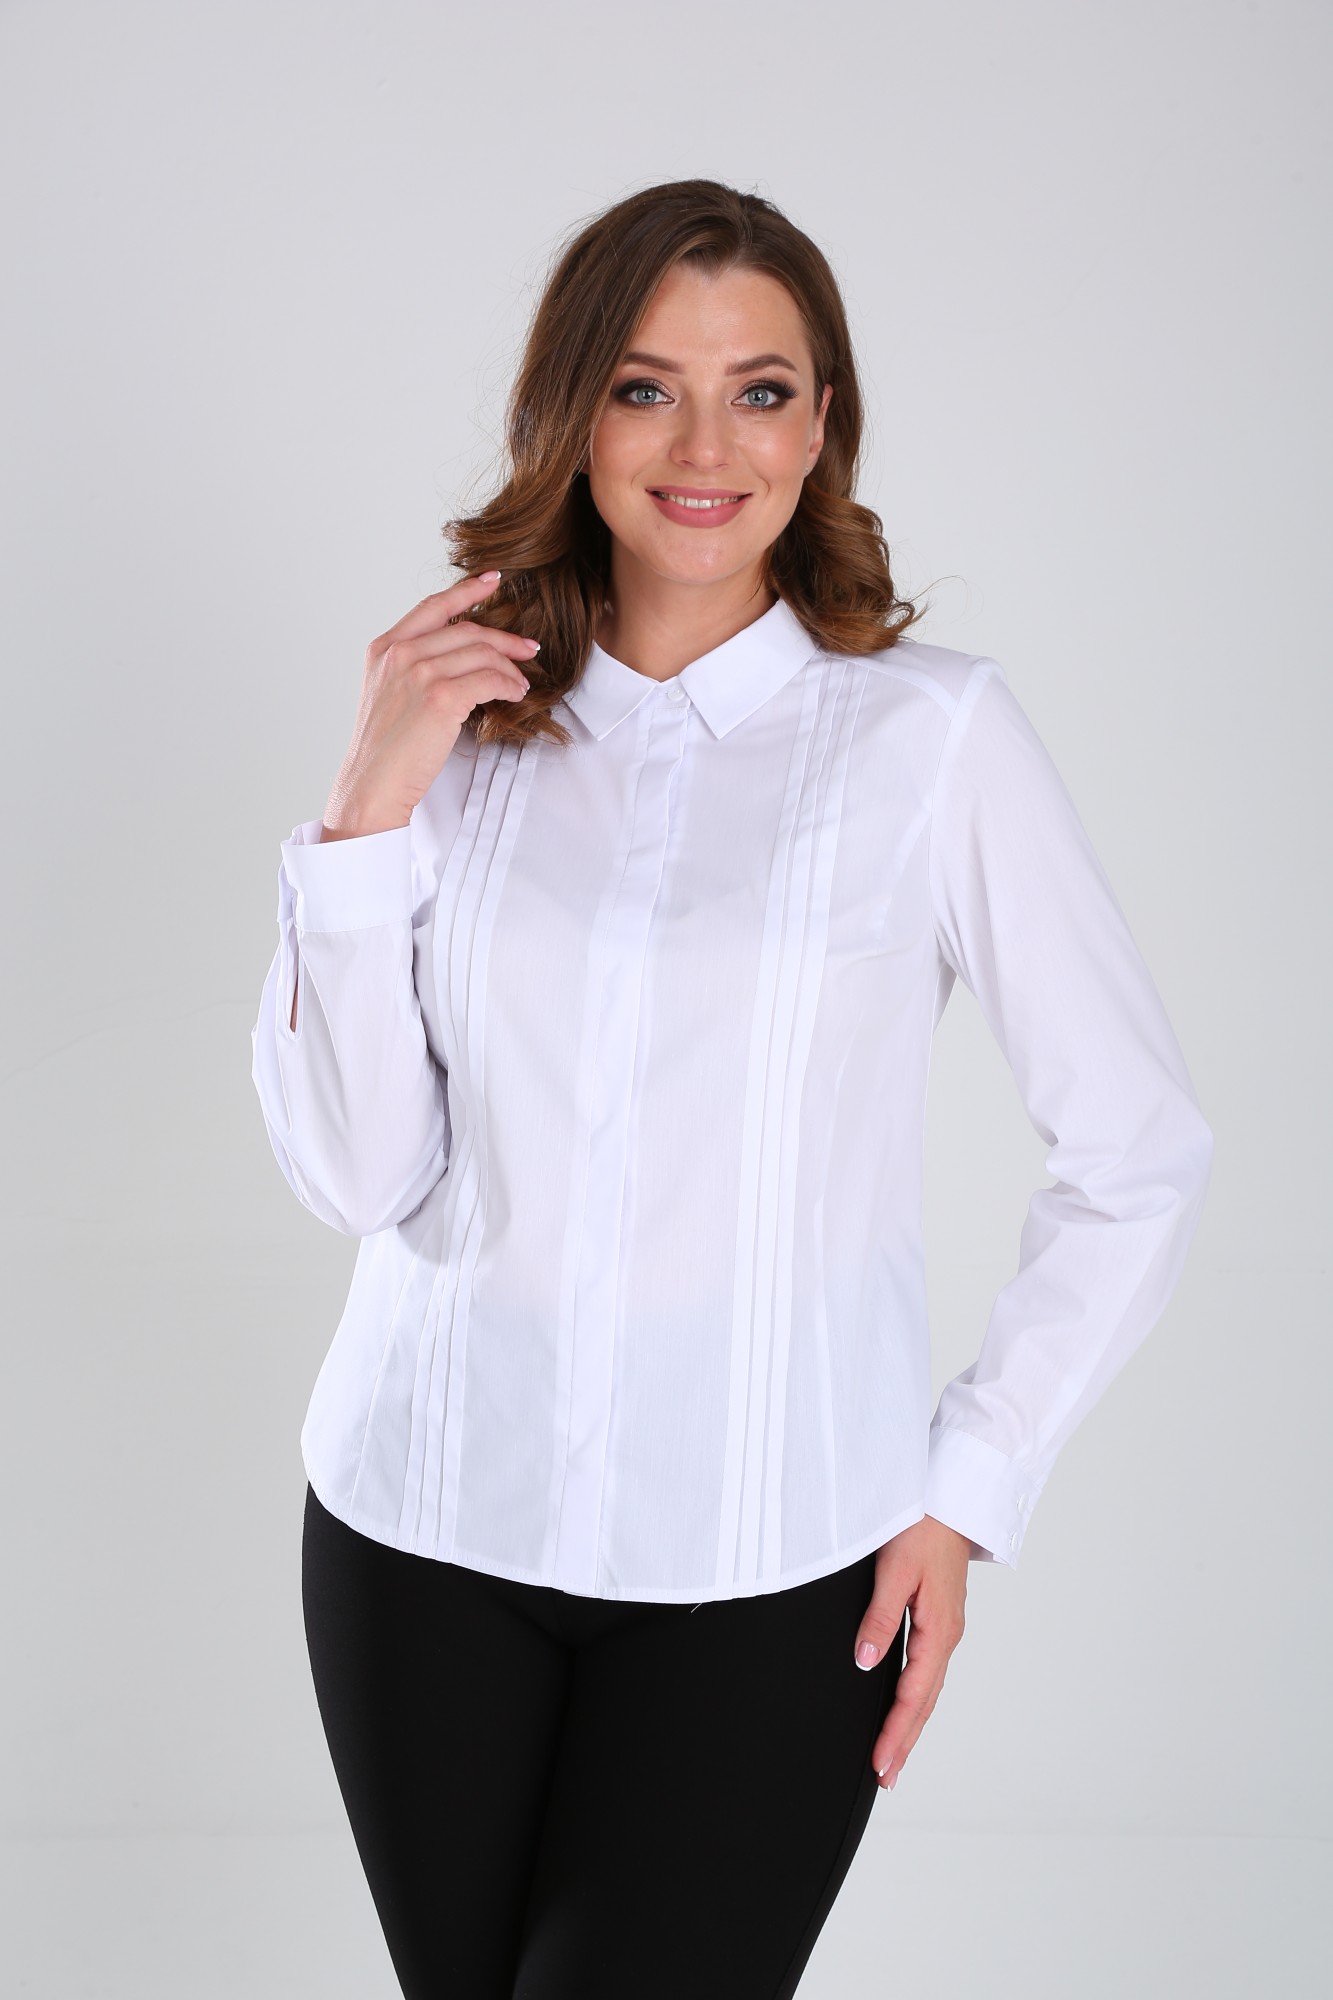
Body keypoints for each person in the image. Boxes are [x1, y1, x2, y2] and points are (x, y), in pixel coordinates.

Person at [250, 178, 1213, 1999]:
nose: (705, 448)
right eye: (645, 388)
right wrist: (364, 814)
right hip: (417, 1535)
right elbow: (358, 1176)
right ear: (568, 415)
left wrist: (969, 1484)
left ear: (821, 422)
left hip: (774, 1572)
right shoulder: (449, 733)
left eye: (759, 391)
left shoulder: (931, 736)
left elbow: (1137, 1151)